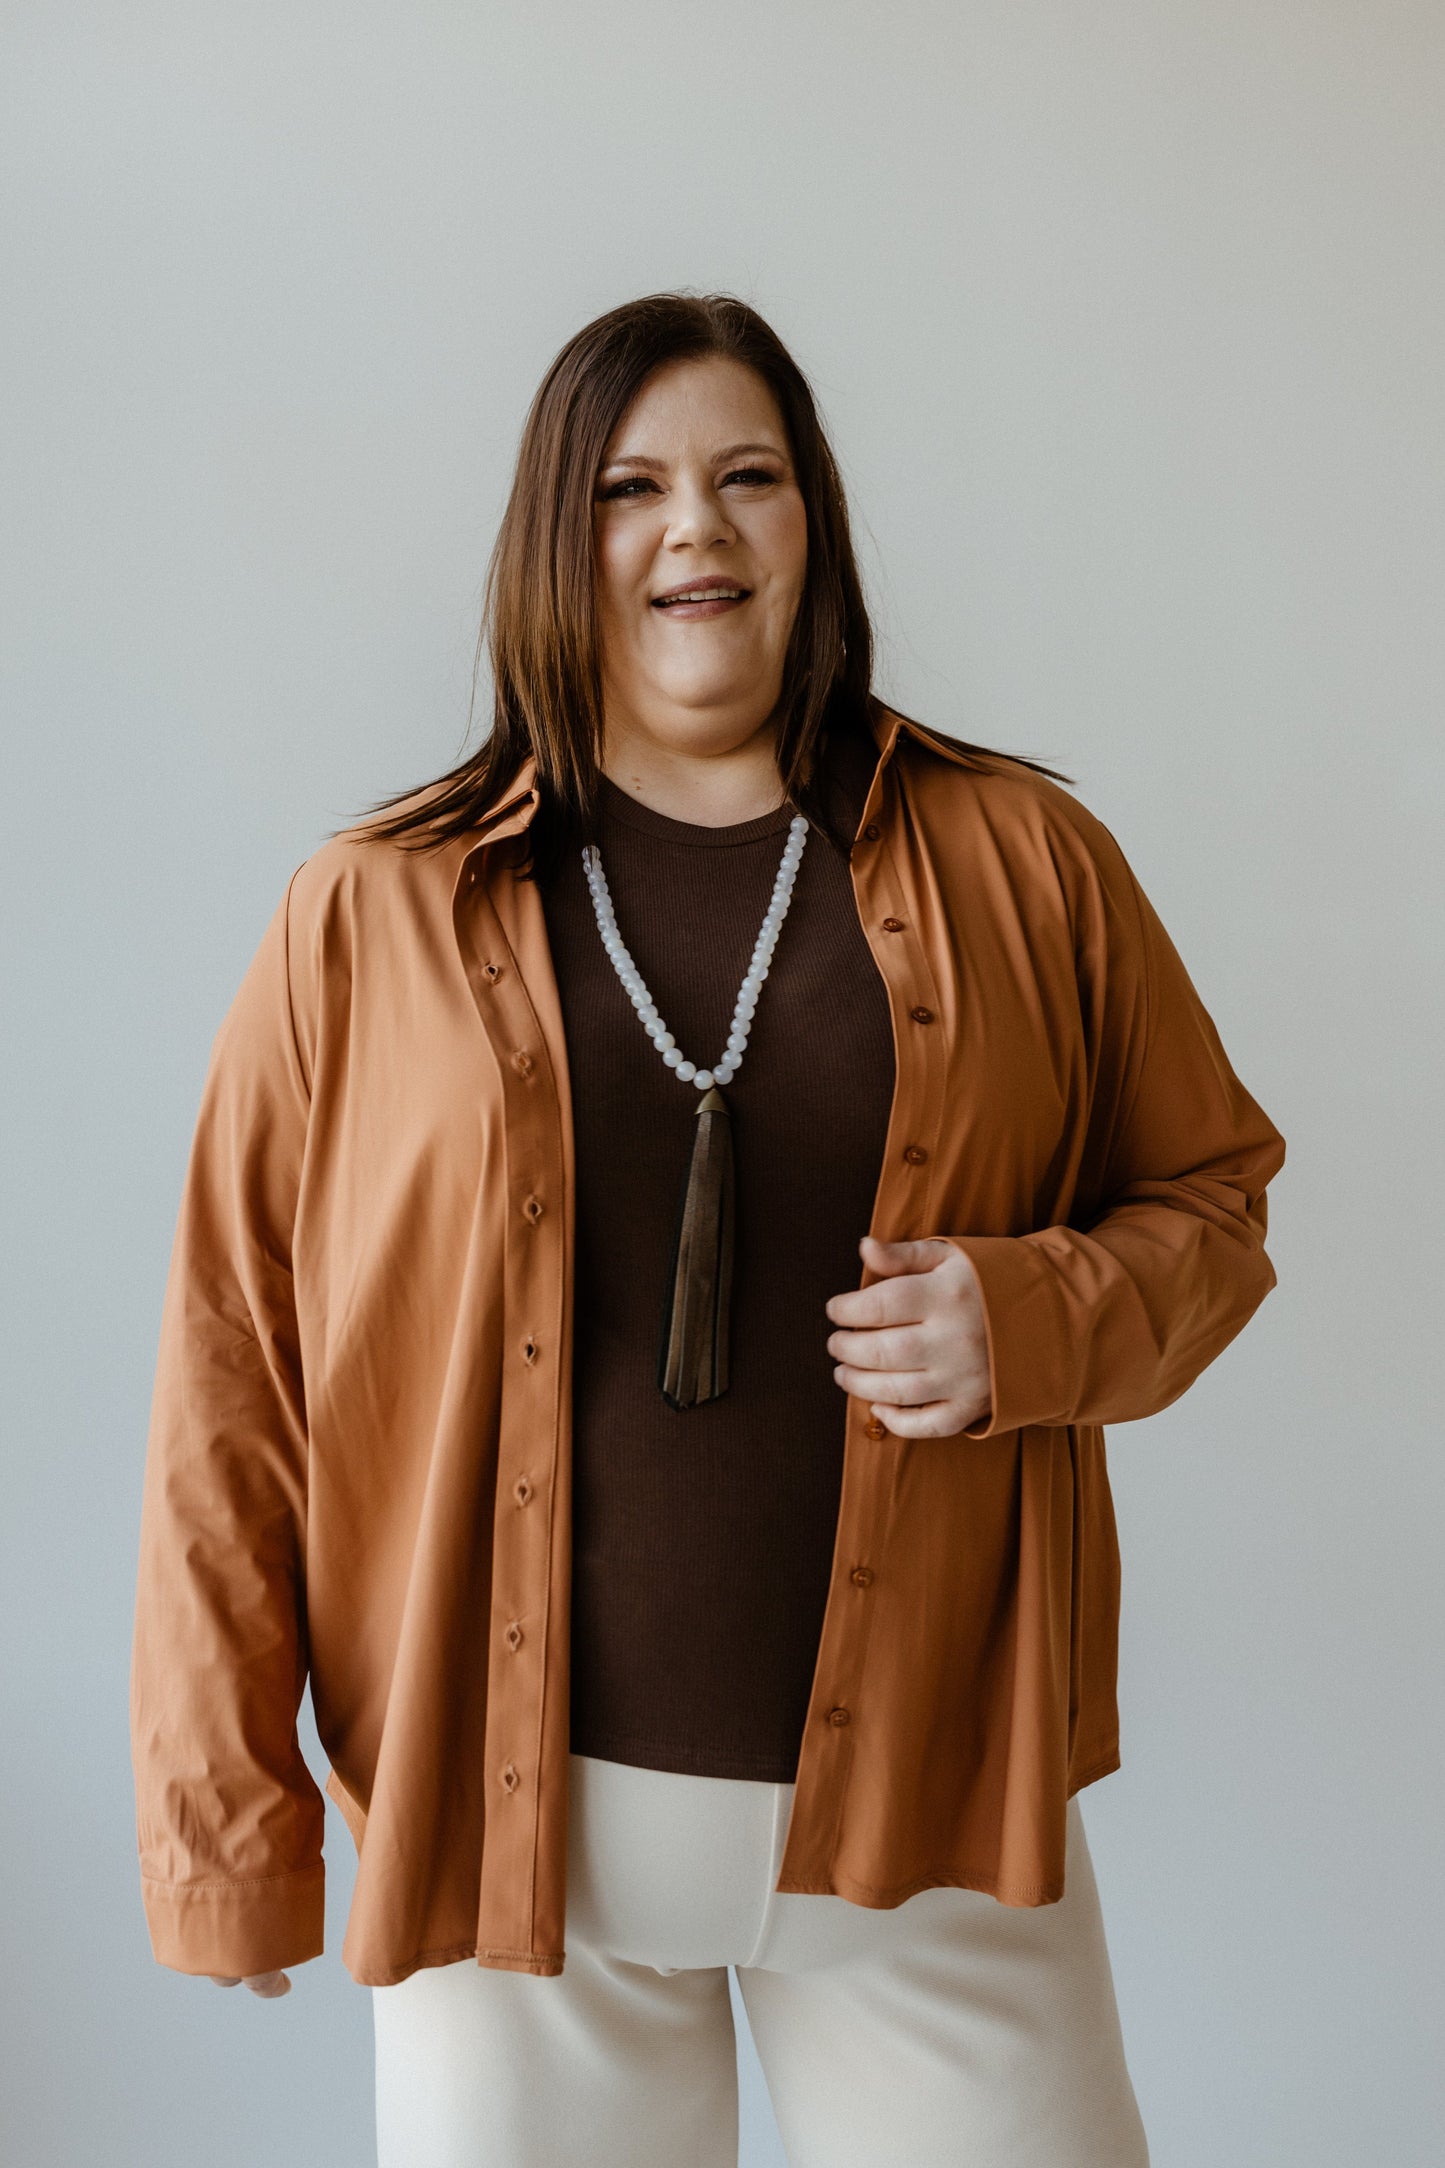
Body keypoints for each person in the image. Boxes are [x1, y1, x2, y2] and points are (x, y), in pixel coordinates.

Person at [130, 291, 1285, 2166]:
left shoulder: (1025, 862)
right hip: (506, 1858)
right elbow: (229, 1376)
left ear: (810, 523)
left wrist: (1037, 1315)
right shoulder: (368, 912)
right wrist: (222, 1823)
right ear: (554, 536)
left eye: (749, 477)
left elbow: (1213, 1199)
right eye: (630, 486)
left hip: (933, 1823)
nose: (696, 530)